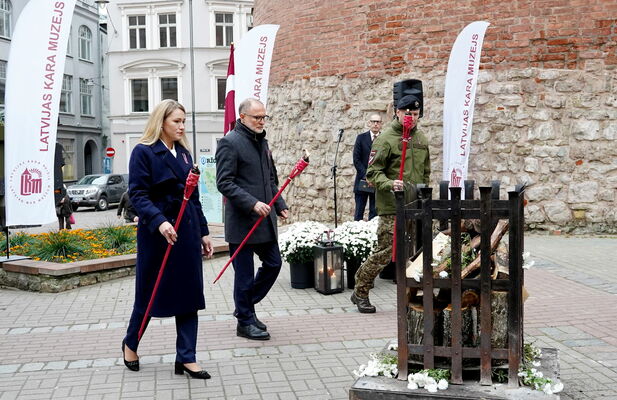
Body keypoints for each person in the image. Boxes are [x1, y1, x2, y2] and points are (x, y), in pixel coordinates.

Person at [122, 99, 214, 379]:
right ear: (161, 122)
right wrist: (160, 222)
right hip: (156, 234)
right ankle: (131, 343)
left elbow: (194, 198)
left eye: (184, 121)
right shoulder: (143, 152)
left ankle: (186, 357)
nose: (182, 126)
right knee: (149, 293)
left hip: (185, 233)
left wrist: (204, 232)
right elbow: (138, 194)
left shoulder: (185, 155)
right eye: (177, 121)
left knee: (189, 293)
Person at [215, 98, 289, 341]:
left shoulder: (263, 142)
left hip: (265, 222)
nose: (261, 121)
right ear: (242, 117)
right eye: (256, 117)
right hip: (243, 223)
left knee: (274, 264)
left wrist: (279, 205)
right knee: (244, 276)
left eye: (263, 117)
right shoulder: (229, 142)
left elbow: (270, 179)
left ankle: (244, 307)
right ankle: (245, 322)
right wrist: (251, 203)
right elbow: (224, 182)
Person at [351, 94, 431, 313]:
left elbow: (426, 172)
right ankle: (360, 291)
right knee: (386, 252)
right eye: (407, 113)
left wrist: (425, 196)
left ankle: (409, 297)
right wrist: (389, 183)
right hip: (391, 206)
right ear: (397, 112)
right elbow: (372, 173)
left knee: (412, 255)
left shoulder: (421, 139)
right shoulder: (385, 138)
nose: (411, 117)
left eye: (415, 114)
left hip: (414, 205)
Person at [353, 113, 382, 221]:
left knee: (374, 215)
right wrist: (366, 175)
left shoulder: (384, 139)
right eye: (373, 121)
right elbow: (356, 159)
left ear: (381, 124)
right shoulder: (361, 138)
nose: (375, 124)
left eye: (378, 122)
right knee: (358, 214)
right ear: (369, 123)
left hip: (377, 181)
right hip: (362, 180)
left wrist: (376, 177)